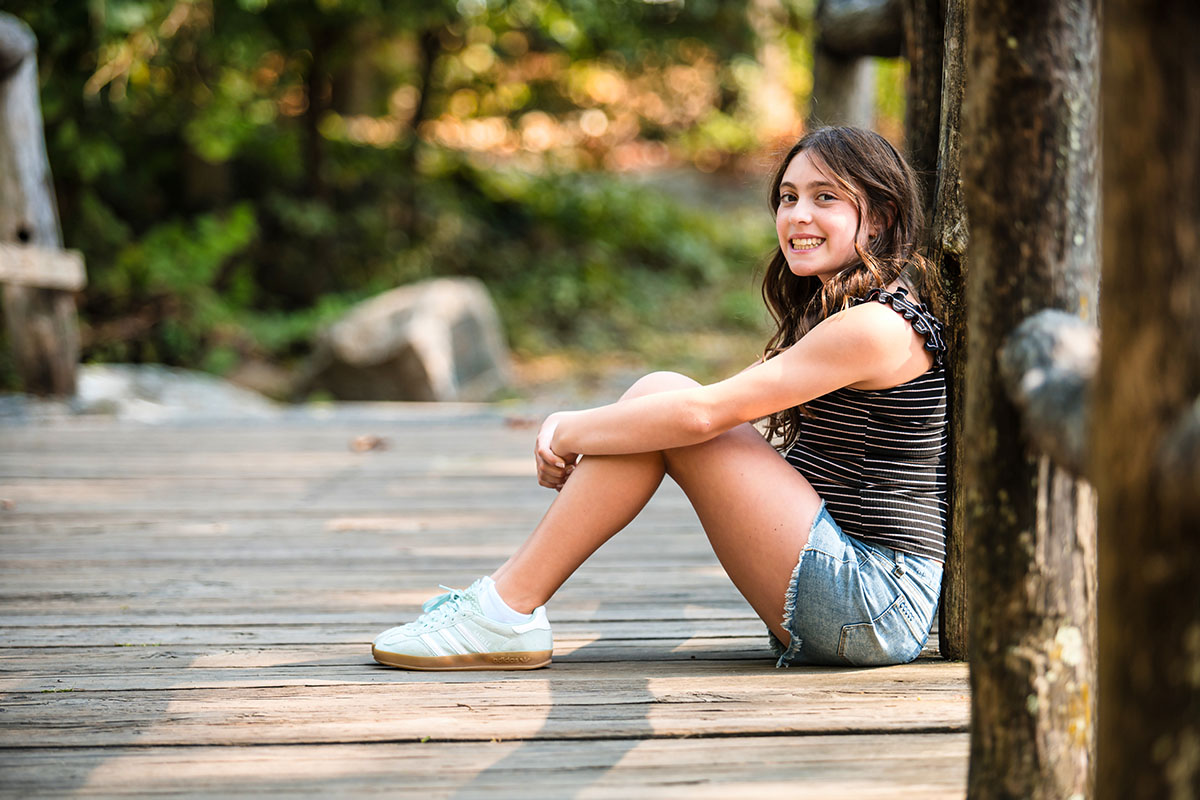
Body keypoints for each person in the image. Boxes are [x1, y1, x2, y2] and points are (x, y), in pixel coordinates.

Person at [372, 125, 948, 671]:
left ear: (878, 218)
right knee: (658, 405)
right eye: (788, 196)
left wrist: (564, 430)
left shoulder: (874, 327)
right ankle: (505, 604)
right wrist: (599, 427)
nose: (798, 215)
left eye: (826, 198)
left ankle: (504, 609)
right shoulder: (847, 312)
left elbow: (702, 413)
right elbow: (722, 406)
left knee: (668, 400)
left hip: (874, 603)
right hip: (858, 597)